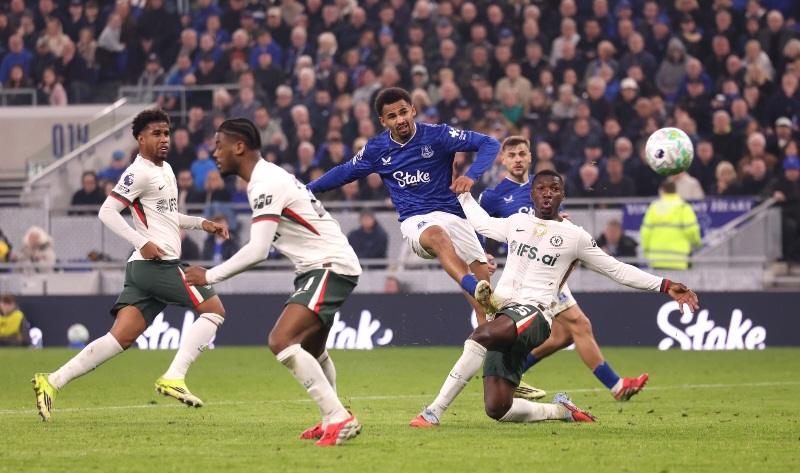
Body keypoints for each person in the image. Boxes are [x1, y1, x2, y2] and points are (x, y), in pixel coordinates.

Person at [410, 170, 700, 427]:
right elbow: (483, 224)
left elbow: (616, 269)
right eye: (541, 188)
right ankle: (562, 411)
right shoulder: (517, 222)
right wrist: (463, 195)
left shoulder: (575, 237)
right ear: (532, 193)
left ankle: (433, 412)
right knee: (498, 408)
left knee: (483, 333)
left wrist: (664, 285)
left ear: (563, 195)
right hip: (506, 313)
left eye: (554, 189)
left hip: (535, 315)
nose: (547, 193)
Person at [32, 109, 230, 422]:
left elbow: (168, 215)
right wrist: (141, 241)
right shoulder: (138, 172)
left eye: (166, 133)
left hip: (144, 269)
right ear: (140, 138)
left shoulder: (165, 170)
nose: (164, 139)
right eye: (156, 133)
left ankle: (52, 380)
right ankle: (174, 376)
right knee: (214, 309)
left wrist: (202, 224)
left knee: (119, 339)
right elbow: (107, 211)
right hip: (157, 264)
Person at [183, 118, 362, 447]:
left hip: (328, 265)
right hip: (321, 266)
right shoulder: (265, 178)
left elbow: (258, 250)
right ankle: (331, 417)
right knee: (312, 347)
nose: (214, 152)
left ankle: (339, 417)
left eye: (219, 145)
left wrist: (208, 275)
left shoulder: (265, 181)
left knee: (281, 339)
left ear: (239, 146)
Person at [307, 87, 501, 324]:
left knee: (487, 313)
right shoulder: (376, 149)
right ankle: (470, 285)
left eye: (403, 112)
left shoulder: (438, 135)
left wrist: (471, 176)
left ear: (413, 110)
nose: (400, 119)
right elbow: (344, 172)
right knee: (439, 238)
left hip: (453, 216)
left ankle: (487, 349)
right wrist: (306, 190)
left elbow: (490, 143)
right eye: (392, 116)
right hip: (416, 221)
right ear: (383, 121)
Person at [479, 136, 648, 402]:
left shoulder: (543, 185)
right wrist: (483, 254)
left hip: (550, 272)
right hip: (527, 277)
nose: (518, 159)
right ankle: (616, 387)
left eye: (522, 153)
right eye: (512, 155)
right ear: (503, 160)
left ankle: (515, 372)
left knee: (564, 335)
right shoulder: (493, 195)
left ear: (531, 156)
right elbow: (479, 226)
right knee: (579, 325)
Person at [640, 181, 701, 270]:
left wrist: (646, 252)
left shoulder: (653, 207)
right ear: (675, 190)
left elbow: (645, 232)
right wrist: (697, 243)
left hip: (657, 258)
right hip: (678, 258)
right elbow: (692, 230)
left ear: (662, 191)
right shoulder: (683, 207)